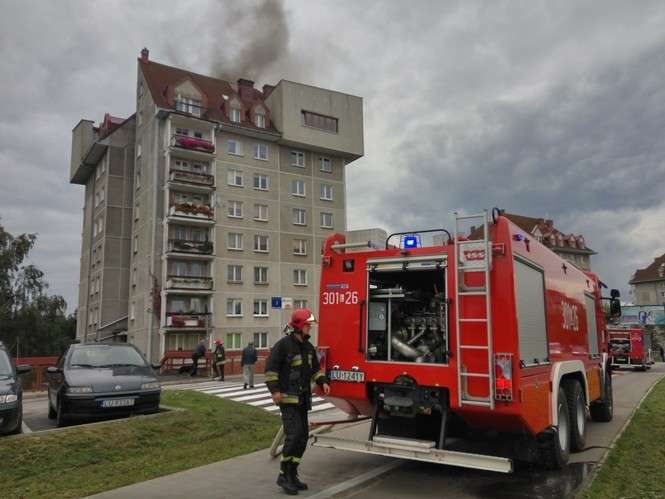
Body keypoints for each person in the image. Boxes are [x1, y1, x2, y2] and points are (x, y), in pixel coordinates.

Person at [265, 309, 330, 495]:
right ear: (300, 326)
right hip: (287, 399)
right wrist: (275, 391)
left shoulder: (308, 347)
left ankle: (293, 475)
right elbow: (271, 370)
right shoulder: (283, 346)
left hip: (302, 400)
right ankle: (283, 476)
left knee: (302, 438)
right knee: (293, 436)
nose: (311, 328)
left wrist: (323, 381)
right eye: (308, 325)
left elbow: (316, 370)